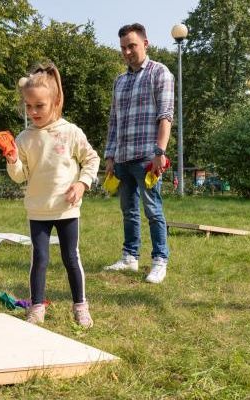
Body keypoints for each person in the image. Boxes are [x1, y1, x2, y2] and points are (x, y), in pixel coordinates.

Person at [6, 62, 100, 328]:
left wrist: (82, 184)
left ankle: (80, 305)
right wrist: (13, 160)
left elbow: (92, 159)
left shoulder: (70, 132)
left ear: (56, 101)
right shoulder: (23, 139)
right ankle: (37, 308)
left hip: (66, 209)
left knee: (71, 257)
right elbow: (20, 175)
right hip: (38, 210)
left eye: (39, 106)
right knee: (40, 259)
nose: (33, 111)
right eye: (28, 106)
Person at [102, 23, 174, 284]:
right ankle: (130, 257)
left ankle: (159, 261)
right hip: (122, 157)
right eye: (123, 47)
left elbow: (165, 116)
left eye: (132, 45)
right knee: (128, 211)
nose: (127, 51)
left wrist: (160, 152)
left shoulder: (160, 73)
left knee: (153, 210)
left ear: (145, 43)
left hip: (147, 157)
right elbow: (114, 121)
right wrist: (109, 156)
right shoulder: (119, 81)